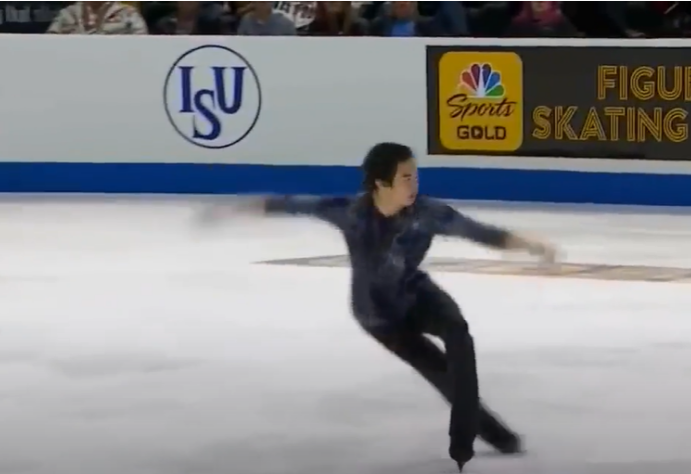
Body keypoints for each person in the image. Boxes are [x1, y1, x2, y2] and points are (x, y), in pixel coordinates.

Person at [206, 142, 559, 472]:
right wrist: (238, 208)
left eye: (415, 175)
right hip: (379, 315)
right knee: (440, 372)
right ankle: (495, 434)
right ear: (381, 183)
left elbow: (480, 232)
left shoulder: (428, 213)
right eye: (406, 177)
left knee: (458, 332)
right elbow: (291, 204)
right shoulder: (350, 213)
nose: (414, 184)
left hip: (416, 292)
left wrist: (529, 243)